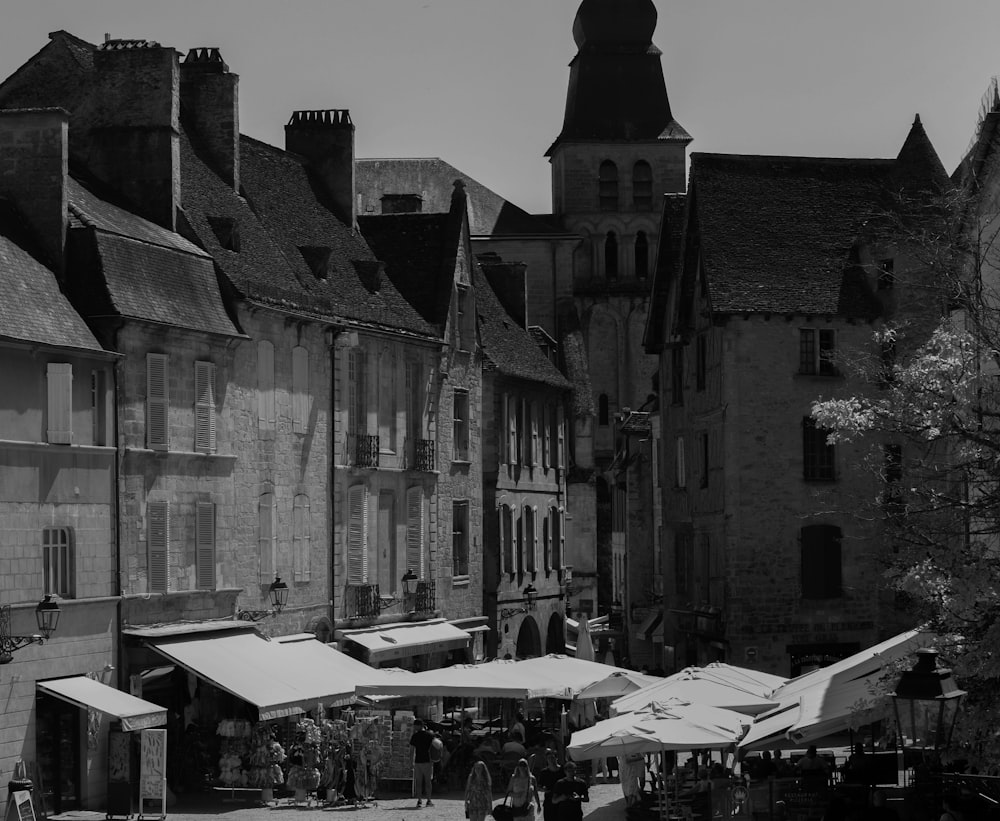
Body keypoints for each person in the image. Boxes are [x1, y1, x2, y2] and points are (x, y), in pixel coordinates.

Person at [409, 718, 435, 808]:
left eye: (415, 726)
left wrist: (410, 761)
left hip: (418, 762)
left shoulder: (415, 736)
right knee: (428, 782)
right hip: (428, 761)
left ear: (418, 726)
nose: (414, 727)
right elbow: (435, 747)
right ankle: (429, 800)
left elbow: (412, 750)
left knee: (418, 782)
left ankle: (419, 800)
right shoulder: (430, 735)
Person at [536, 750, 563, 821]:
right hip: (549, 801)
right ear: (547, 760)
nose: (551, 760)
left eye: (552, 757)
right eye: (549, 758)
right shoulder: (544, 772)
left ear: (556, 758)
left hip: (562, 801)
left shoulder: (563, 770)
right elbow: (538, 786)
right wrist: (543, 789)